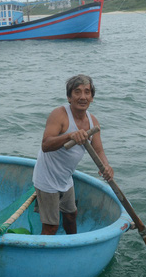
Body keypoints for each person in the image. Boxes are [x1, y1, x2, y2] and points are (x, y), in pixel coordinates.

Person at [32, 74, 114, 235]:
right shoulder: (59, 114)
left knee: (71, 215)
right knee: (51, 226)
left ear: (92, 97)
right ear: (69, 97)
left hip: (65, 179)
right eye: (77, 92)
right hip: (47, 179)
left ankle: (73, 244)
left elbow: (98, 150)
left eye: (87, 92)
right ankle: (43, 257)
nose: (82, 97)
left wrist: (106, 166)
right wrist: (69, 136)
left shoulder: (93, 121)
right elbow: (46, 145)